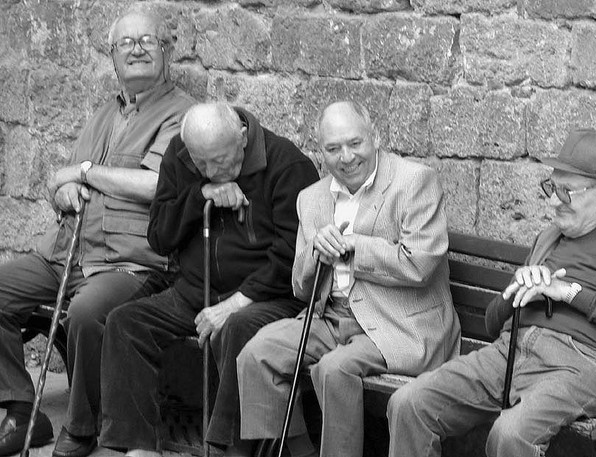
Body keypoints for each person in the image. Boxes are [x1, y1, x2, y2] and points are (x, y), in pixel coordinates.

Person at [387, 128, 596, 457]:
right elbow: (492, 324)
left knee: (510, 434)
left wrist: (569, 292)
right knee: (408, 403)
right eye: (551, 187)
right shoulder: (549, 236)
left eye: (567, 191)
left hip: (579, 364)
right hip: (511, 350)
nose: (553, 200)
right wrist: (515, 290)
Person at [0, 8, 194, 457]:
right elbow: (60, 180)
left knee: (86, 314)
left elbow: (155, 184)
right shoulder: (104, 112)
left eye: (148, 41)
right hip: (68, 247)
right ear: (112, 56)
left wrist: (84, 172)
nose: (137, 49)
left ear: (167, 51)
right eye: (126, 43)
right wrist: (67, 188)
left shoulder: (182, 114)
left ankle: (82, 425)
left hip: (128, 259)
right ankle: (20, 407)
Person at [237, 101, 461, 457]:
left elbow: (421, 264)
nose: (346, 157)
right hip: (332, 318)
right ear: (319, 152)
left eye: (355, 143)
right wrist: (315, 254)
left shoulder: (414, 181)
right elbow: (300, 288)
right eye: (333, 149)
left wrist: (354, 246)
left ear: (375, 137)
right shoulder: (311, 199)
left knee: (333, 369)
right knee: (255, 355)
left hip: (397, 322)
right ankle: (300, 451)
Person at [98, 102, 319, 457]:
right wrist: (199, 195)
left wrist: (236, 302)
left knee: (235, 328)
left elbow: (294, 256)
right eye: (203, 163)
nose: (214, 170)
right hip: (194, 290)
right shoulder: (181, 156)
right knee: (125, 323)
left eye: (221, 160)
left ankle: (225, 448)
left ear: (243, 137)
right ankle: (138, 448)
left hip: (266, 297)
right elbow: (159, 236)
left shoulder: (288, 165)